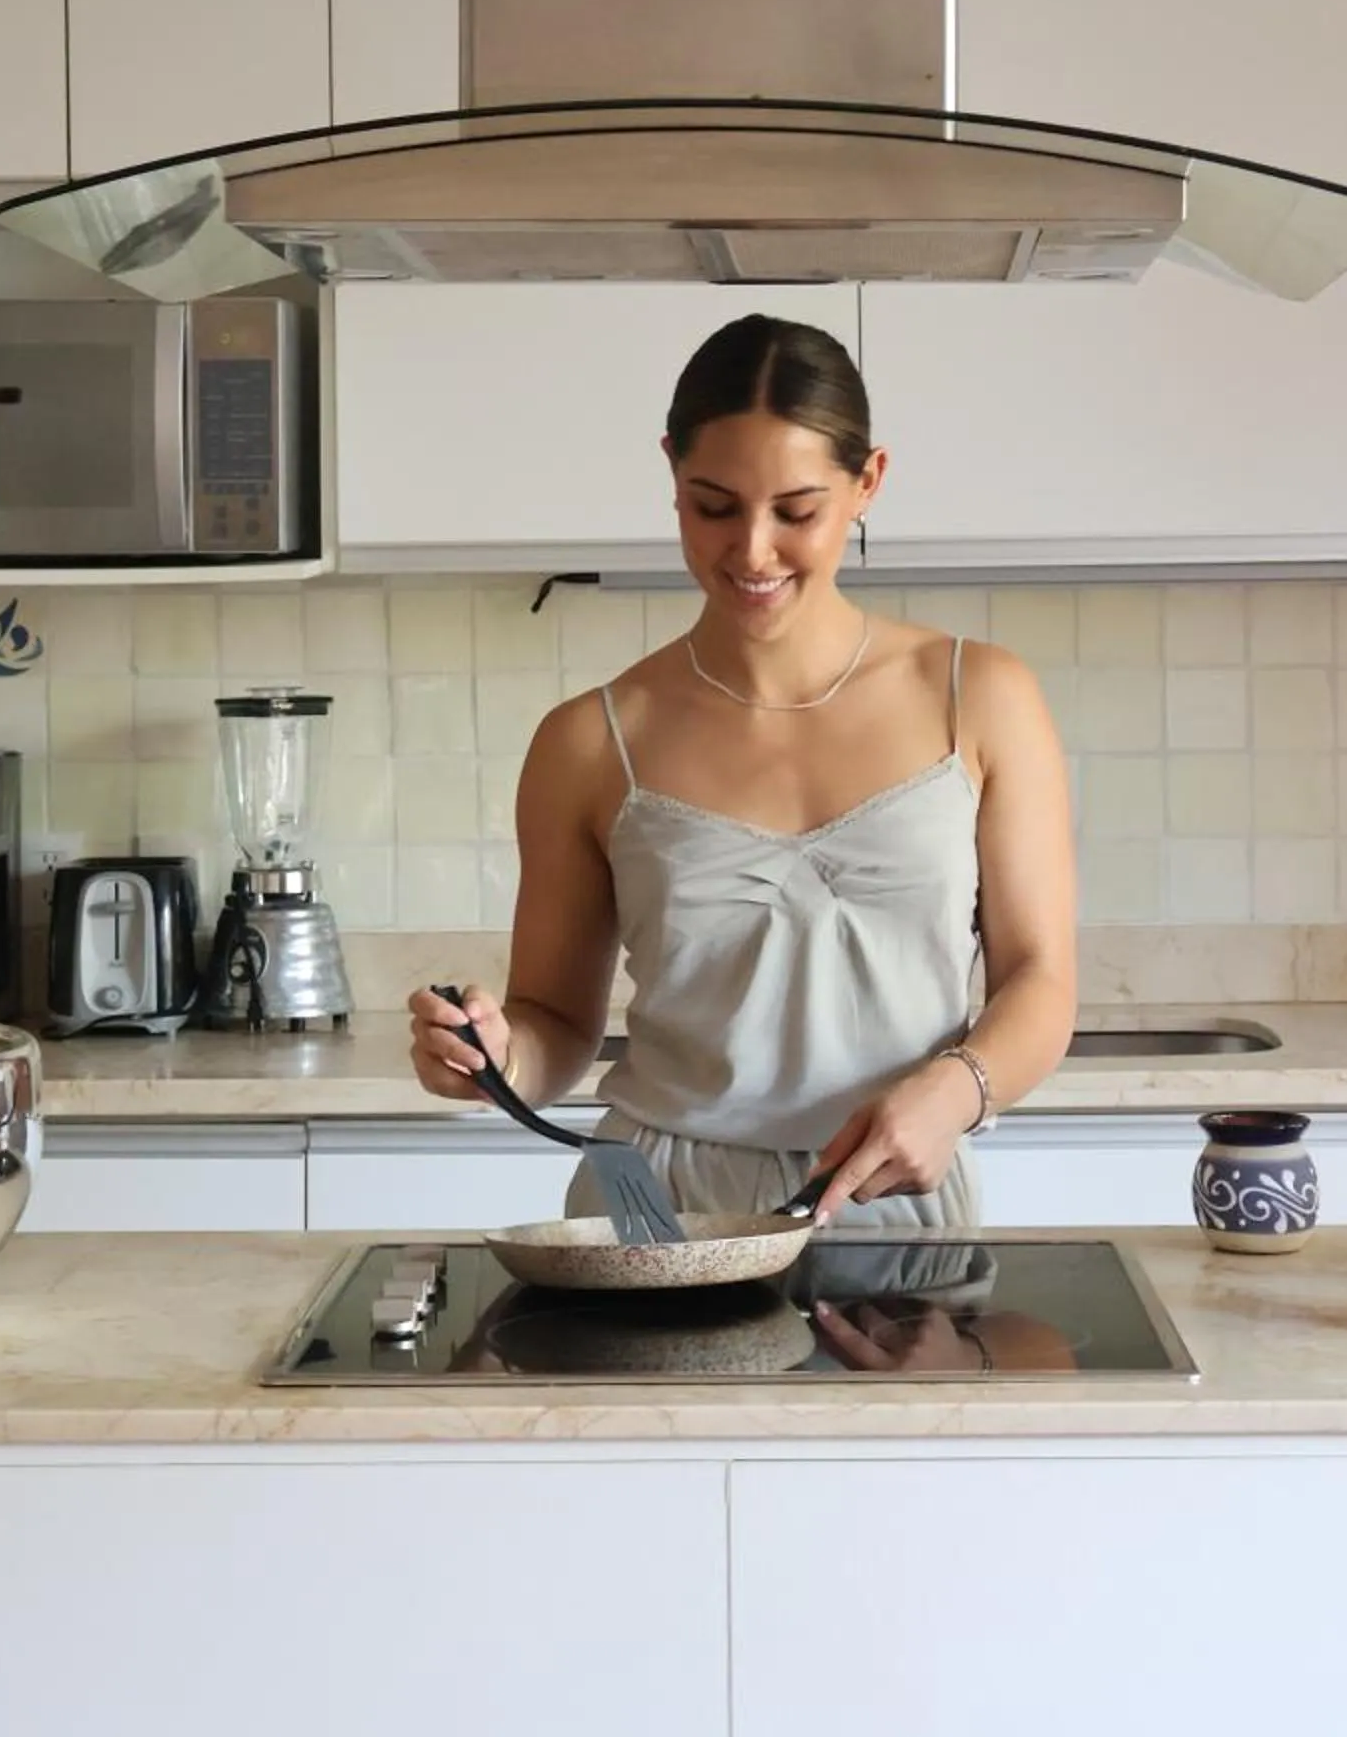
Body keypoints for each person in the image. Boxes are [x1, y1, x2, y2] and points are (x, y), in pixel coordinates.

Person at [407, 313, 1076, 1230]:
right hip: (656, 1216)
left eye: (797, 511)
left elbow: (1040, 979)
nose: (753, 550)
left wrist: (958, 1090)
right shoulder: (590, 743)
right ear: (672, 478)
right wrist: (496, 1058)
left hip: (892, 1200)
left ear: (869, 483)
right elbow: (553, 1023)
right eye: (713, 506)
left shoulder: (981, 698)